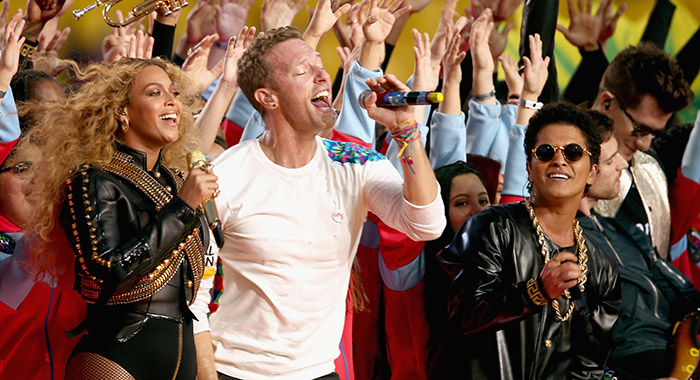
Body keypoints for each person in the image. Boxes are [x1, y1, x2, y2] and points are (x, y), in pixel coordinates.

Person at [190, 25, 445, 380]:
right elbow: (194, 299)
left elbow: (427, 224)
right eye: (302, 71)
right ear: (268, 98)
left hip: (320, 371)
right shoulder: (226, 175)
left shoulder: (354, 163)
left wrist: (406, 128)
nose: (322, 75)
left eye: (320, 64)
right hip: (235, 370)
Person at [18, 57, 219, 379]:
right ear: (121, 112)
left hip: (181, 350)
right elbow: (107, 269)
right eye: (154, 93)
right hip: (120, 353)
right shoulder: (93, 180)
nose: (172, 101)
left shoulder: (177, 181)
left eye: (174, 92)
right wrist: (182, 208)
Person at [434, 102, 621, 379]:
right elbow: (465, 314)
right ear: (529, 169)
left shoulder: (601, 267)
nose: (559, 161)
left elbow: (588, 368)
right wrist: (535, 292)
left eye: (573, 152)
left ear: (592, 172)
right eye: (545, 152)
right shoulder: (492, 227)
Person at [577, 111, 697, 380]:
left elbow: (685, 294)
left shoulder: (622, 229)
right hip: (632, 364)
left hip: (673, 351)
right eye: (610, 159)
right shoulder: (564, 242)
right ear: (586, 171)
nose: (622, 164)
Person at [591, 42, 696, 260]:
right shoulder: (563, 164)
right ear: (607, 103)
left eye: (655, 134)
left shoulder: (652, 167)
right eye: (640, 129)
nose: (644, 144)